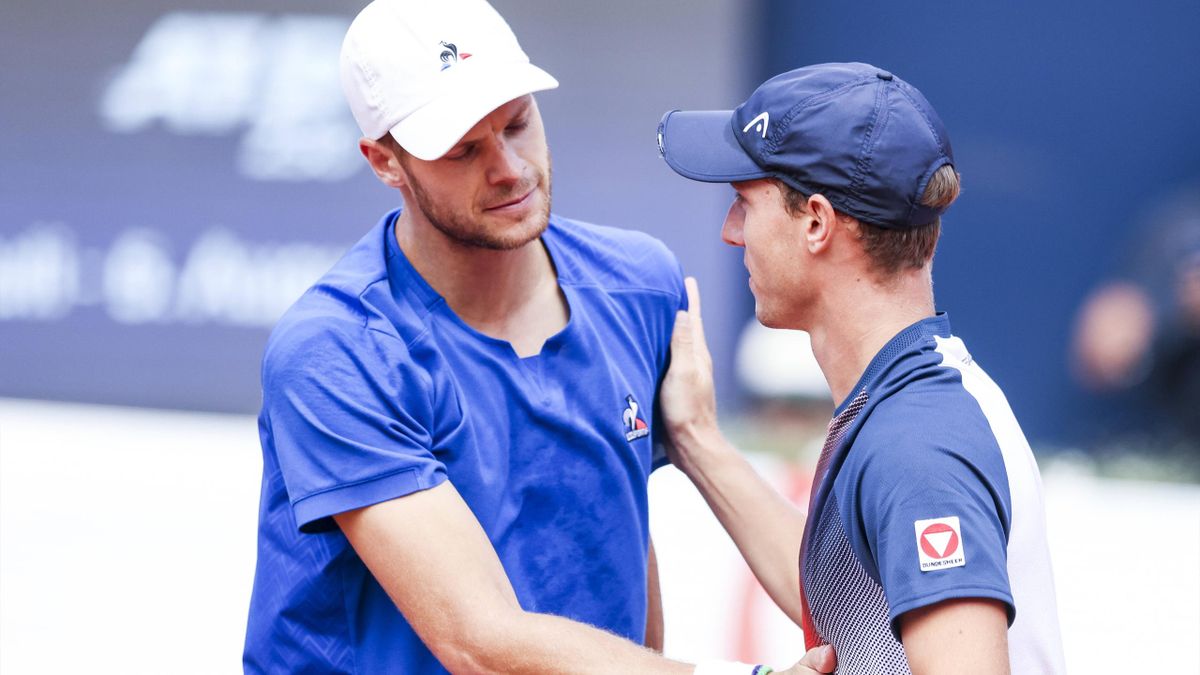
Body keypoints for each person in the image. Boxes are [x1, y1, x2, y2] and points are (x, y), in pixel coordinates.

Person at [244, 1, 833, 673]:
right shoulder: (338, 351)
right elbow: (480, 641)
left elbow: (618, 541)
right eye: (463, 149)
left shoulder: (639, 284)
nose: (508, 167)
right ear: (385, 162)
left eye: (518, 122)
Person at [656, 62, 1066, 673]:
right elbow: (860, 598)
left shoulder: (917, 444)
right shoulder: (911, 397)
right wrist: (695, 440)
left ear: (817, 223)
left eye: (745, 202)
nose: (730, 231)